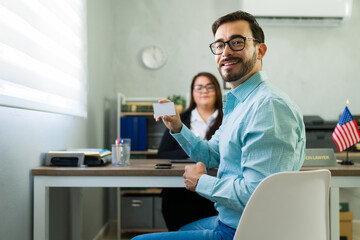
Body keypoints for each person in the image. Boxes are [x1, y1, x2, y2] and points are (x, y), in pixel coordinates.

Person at [132, 10, 305, 240]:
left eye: (236, 42)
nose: (226, 52)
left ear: (260, 50)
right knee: (183, 229)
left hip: (248, 230)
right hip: (231, 220)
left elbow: (257, 194)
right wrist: (177, 127)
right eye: (220, 45)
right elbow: (211, 154)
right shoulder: (240, 103)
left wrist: (200, 182)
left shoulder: (268, 106)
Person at [158, 72, 223, 231]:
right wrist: (193, 151)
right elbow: (163, 154)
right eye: (199, 87)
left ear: (218, 91)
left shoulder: (228, 118)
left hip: (216, 186)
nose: (204, 91)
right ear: (192, 92)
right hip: (182, 188)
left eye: (210, 87)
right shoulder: (179, 119)